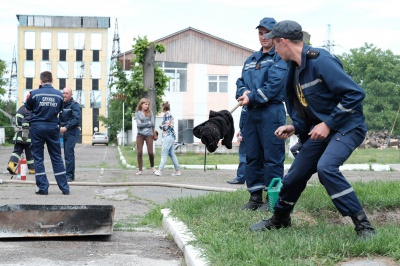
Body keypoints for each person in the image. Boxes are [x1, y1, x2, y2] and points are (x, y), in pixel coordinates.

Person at [250, 20, 376, 239]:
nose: (271, 46)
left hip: (348, 126)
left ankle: (363, 225)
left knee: (326, 168)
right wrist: (294, 126)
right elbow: (311, 110)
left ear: (283, 41)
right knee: (295, 175)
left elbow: (355, 94)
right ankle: (280, 219)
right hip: (321, 131)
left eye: (273, 42)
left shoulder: (321, 61)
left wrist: (328, 124)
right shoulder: (294, 70)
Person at [236, 17, 287, 210]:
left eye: (267, 33)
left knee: (272, 156)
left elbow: (274, 85)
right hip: (250, 114)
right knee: (252, 155)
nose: (263, 37)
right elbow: (240, 82)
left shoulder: (279, 58)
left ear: (275, 35)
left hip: (271, 112)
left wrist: (253, 97)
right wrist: (243, 93)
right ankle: (255, 197)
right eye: (260, 33)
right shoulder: (250, 60)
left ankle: (271, 198)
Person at [24, 71, 70, 195]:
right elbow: (60, 109)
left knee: (38, 158)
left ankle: (43, 188)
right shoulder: (59, 95)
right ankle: (64, 188)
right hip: (52, 127)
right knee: (56, 157)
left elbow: (27, 108)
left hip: (37, 127)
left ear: (41, 81)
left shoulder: (34, 94)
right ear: (52, 80)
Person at [7, 95, 34, 175]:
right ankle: (32, 169)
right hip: (27, 135)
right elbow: (27, 121)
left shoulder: (20, 108)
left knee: (17, 151)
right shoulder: (29, 109)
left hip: (18, 135)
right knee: (30, 153)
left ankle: (11, 164)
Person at [59, 87, 82, 182]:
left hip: (72, 131)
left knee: (69, 153)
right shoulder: (62, 105)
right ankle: (68, 174)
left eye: (66, 93)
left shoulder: (75, 105)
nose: (64, 95)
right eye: (63, 93)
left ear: (71, 94)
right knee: (66, 153)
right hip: (64, 131)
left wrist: (66, 127)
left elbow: (76, 119)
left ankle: (69, 176)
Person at [154, 101, 181, 176]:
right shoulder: (170, 114)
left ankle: (160, 170)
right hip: (172, 136)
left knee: (164, 153)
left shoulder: (166, 115)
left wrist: (160, 126)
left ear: (164, 107)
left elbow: (165, 127)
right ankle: (177, 170)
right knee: (171, 153)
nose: (161, 108)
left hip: (168, 136)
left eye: (162, 107)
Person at [226, 107, 247, 185]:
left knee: (244, 157)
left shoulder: (248, 106)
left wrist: (243, 134)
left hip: (247, 135)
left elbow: (248, 121)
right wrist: (241, 130)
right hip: (247, 133)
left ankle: (240, 178)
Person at [135, 98, 156, 175]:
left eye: (148, 105)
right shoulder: (137, 113)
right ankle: (140, 170)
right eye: (145, 104)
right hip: (140, 135)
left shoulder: (150, 113)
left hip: (149, 134)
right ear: (141, 104)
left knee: (150, 152)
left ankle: (153, 167)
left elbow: (153, 124)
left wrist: (143, 123)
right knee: (139, 152)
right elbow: (139, 125)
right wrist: (148, 123)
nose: (147, 106)